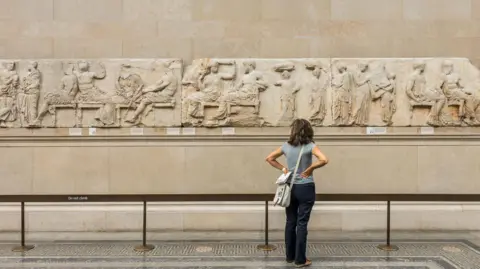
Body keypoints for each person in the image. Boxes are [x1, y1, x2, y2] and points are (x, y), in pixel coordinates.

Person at [265, 118, 329, 268]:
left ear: (293, 130)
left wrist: (284, 169)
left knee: (290, 222)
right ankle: (300, 260)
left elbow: (269, 158)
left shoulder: (286, 146)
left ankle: (289, 257)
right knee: (302, 224)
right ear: (308, 130)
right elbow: (324, 159)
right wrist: (311, 168)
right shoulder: (310, 146)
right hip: (306, 188)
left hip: (290, 188)